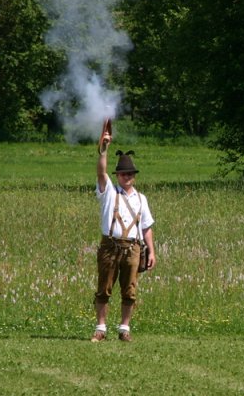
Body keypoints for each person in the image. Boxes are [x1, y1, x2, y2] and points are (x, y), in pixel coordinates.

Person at [90, 131, 156, 343]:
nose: (127, 177)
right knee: (104, 289)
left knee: (130, 291)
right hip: (110, 246)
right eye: (124, 174)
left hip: (133, 249)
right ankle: (100, 328)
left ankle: (124, 329)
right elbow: (101, 172)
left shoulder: (141, 199)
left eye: (130, 174)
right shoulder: (109, 192)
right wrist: (104, 149)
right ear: (117, 176)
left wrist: (151, 251)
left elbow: (146, 226)